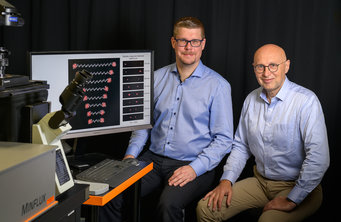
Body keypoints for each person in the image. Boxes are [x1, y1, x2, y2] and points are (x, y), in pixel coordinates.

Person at [99, 16, 234, 222]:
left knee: (168, 205)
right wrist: (130, 156)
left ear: (203, 44)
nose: (189, 47)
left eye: (194, 41)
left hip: (193, 162)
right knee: (111, 195)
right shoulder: (155, 78)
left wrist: (193, 169)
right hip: (152, 159)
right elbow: (143, 125)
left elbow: (224, 140)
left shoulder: (218, 86)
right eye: (183, 41)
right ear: (173, 42)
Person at [196, 43, 330, 222]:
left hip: (298, 186)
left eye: (273, 65)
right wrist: (226, 180)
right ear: (254, 68)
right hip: (260, 182)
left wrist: (292, 199)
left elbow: (319, 158)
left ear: (286, 66)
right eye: (260, 66)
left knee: (268, 220)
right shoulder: (251, 100)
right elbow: (241, 147)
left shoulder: (306, 101)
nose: (267, 73)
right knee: (205, 208)